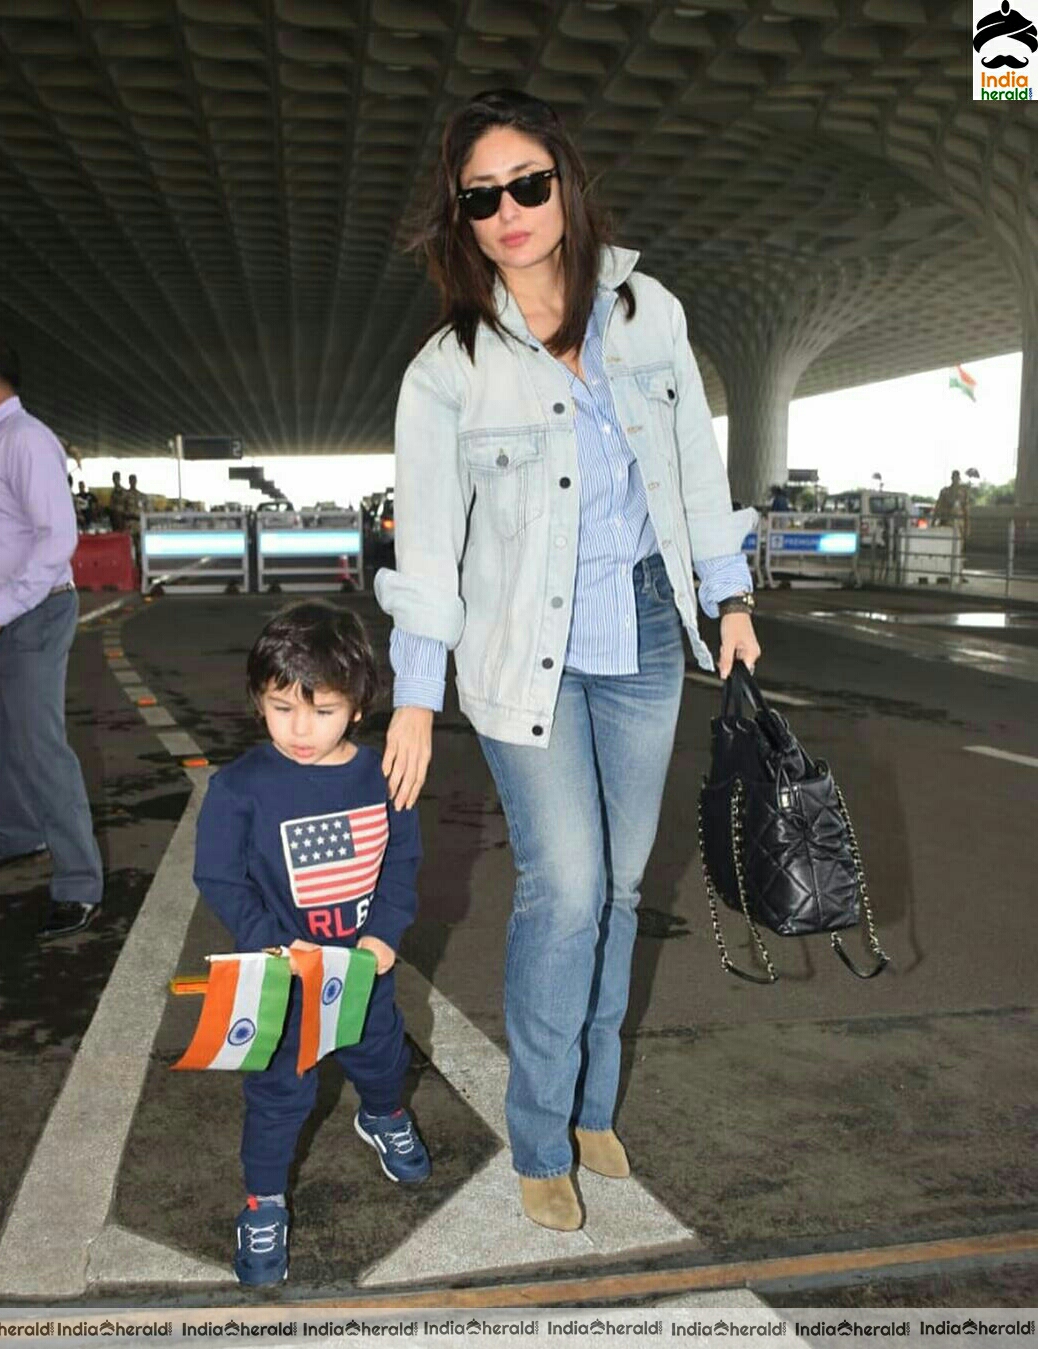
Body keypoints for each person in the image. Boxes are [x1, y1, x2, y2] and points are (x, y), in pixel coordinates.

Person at [375, 90, 762, 1233]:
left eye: (527, 184)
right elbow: (430, 549)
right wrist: (409, 695)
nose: (508, 211)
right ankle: (542, 1133)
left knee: (623, 892)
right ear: (462, 216)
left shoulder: (649, 315)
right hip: (521, 658)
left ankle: (594, 1105)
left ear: (566, 184)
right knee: (569, 888)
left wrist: (726, 594)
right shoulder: (448, 367)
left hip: (645, 638)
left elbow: (694, 468)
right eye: (481, 195)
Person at [193, 603, 430, 1286]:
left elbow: (401, 862)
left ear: (358, 706)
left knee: (382, 1059)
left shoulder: (386, 773)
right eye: (280, 707)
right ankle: (262, 1200)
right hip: (284, 980)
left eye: (321, 710)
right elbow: (218, 873)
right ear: (258, 699)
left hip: (362, 969)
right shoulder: (239, 788)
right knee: (278, 1094)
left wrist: (385, 931)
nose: (299, 729)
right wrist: (266, 940)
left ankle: (383, 1115)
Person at [0, 335, 103, 937]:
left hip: (29, 612)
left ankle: (79, 885)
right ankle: (16, 838)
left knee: (41, 747)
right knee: (1, 735)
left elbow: (55, 541)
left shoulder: (26, 441)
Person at [932, 469, 969, 536]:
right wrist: (933, 522)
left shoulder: (963, 493)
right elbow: (938, 507)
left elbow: (965, 510)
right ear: (952, 478)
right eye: (954, 477)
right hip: (946, 522)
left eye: (957, 478)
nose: (955, 480)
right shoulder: (945, 492)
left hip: (959, 524)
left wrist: (967, 527)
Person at [122, 473, 145, 551]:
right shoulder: (125, 495)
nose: (133, 482)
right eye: (131, 480)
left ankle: (139, 562)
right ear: (129, 481)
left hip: (138, 524)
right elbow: (122, 509)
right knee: (129, 546)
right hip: (129, 523)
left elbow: (143, 509)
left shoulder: (140, 495)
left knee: (139, 546)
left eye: (134, 480)